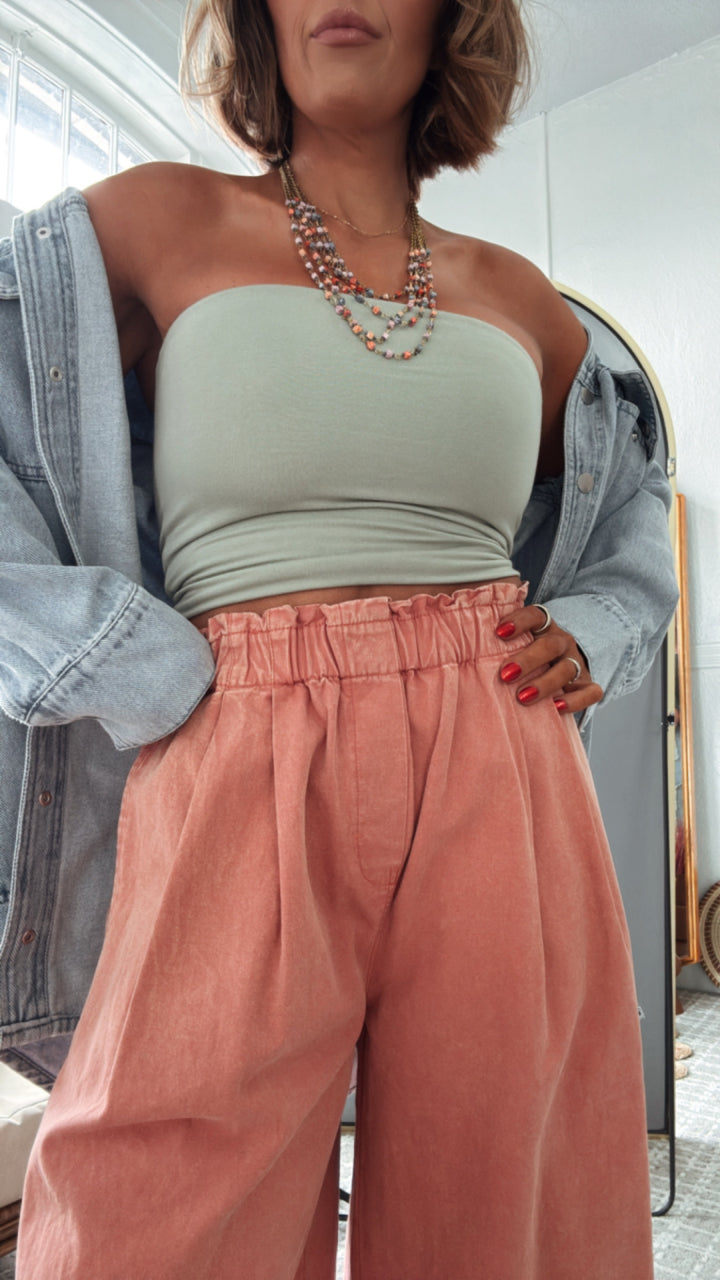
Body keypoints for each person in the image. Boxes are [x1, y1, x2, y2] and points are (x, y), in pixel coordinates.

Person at [0, 0, 678, 1276]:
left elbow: (635, 497)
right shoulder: (150, 222)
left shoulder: (522, 298)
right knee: (151, 1207)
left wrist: (596, 625)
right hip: (231, 737)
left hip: (499, 748)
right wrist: (120, 656)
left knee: (508, 1202)